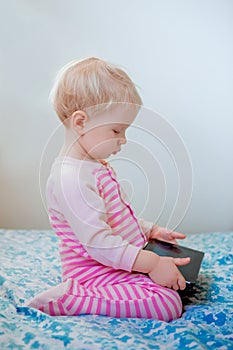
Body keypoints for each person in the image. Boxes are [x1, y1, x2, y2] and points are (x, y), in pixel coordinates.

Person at [27, 57, 190, 321]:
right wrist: (152, 263)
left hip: (118, 263)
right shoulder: (70, 177)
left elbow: (115, 218)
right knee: (166, 304)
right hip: (96, 273)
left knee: (178, 281)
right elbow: (99, 244)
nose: (123, 140)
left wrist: (150, 230)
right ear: (80, 122)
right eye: (117, 130)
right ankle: (72, 297)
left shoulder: (93, 166)